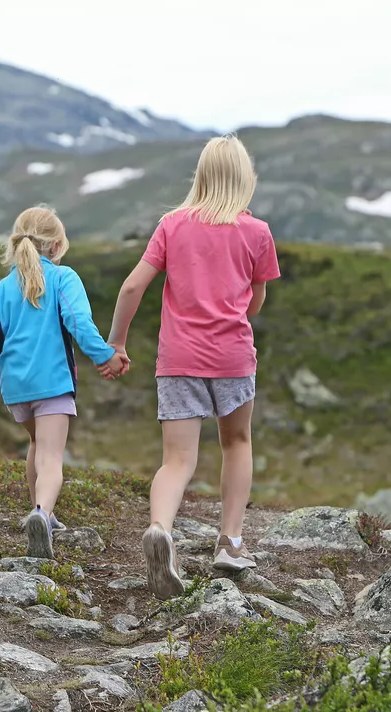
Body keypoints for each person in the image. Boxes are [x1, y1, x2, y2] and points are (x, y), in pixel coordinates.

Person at [107, 135, 281, 600]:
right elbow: (257, 301)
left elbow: (130, 288)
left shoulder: (172, 224)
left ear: (200, 176)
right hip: (232, 358)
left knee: (177, 460)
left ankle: (161, 530)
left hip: (178, 359)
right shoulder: (257, 232)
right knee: (236, 441)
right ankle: (230, 542)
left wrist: (117, 342)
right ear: (246, 179)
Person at [0, 205, 128, 559]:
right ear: (55, 246)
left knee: (38, 443)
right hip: (52, 385)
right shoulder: (64, 278)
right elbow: (79, 324)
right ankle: (41, 512)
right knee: (52, 457)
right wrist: (106, 357)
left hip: (15, 391)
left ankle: (42, 511)